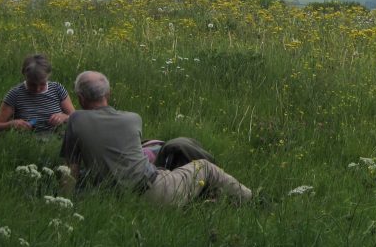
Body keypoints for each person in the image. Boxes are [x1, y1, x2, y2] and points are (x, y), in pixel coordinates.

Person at [60, 70, 252, 206]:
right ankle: (251, 199)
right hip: (154, 191)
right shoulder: (132, 119)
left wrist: (66, 202)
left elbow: (72, 169)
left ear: (80, 97)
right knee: (206, 167)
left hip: (112, 196)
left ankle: (211, 198)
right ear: (108, 94)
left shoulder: (76, 120)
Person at [0, 54, 74, 134]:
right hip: (26, 141)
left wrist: (64, 117)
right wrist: (11, 124)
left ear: (48, 76)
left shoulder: (57, 89)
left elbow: (76, 118)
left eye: (42, 84)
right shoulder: (15, 94)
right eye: (32, 84)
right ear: (24, 75)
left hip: (57, 139)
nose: (37, 89)